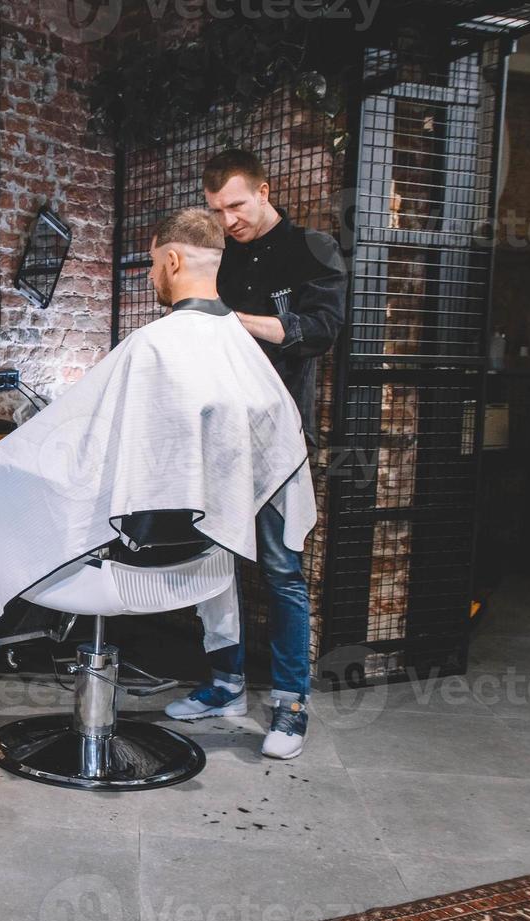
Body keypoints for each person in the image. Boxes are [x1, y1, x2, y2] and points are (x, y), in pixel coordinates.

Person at [0, 209, 315, 693]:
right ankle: (245, 694)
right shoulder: (242, 348)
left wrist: (1, 463)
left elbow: (86, 448)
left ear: (174, 260)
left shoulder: (152, 347)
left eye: (153, 262)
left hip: (132, 564)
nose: (149, 273)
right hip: (208, 552)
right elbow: (277, 440)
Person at [163, 149, 348, 760]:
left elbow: (319, 330)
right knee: (213, 562)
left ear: (265, 191)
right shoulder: (223, 255)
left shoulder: (311, 250)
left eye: (237, 205)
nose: (229, 219)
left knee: (281, 569)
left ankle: (292, 705)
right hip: (219, 436)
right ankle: (225, 685)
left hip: (280, 435)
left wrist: (232, 321)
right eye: (217, 209)